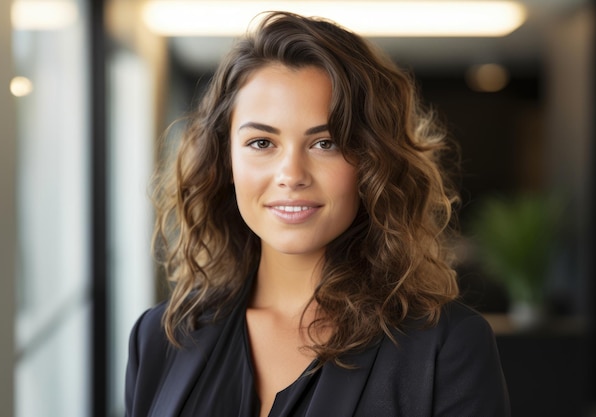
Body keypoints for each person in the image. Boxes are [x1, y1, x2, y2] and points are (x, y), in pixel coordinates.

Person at [125, 11, 510, 417]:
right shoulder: (161, 338)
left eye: (325, 143)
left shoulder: (447, 346)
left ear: (372, 162)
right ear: (226, 161)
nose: (291, 175)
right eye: (261, 143)